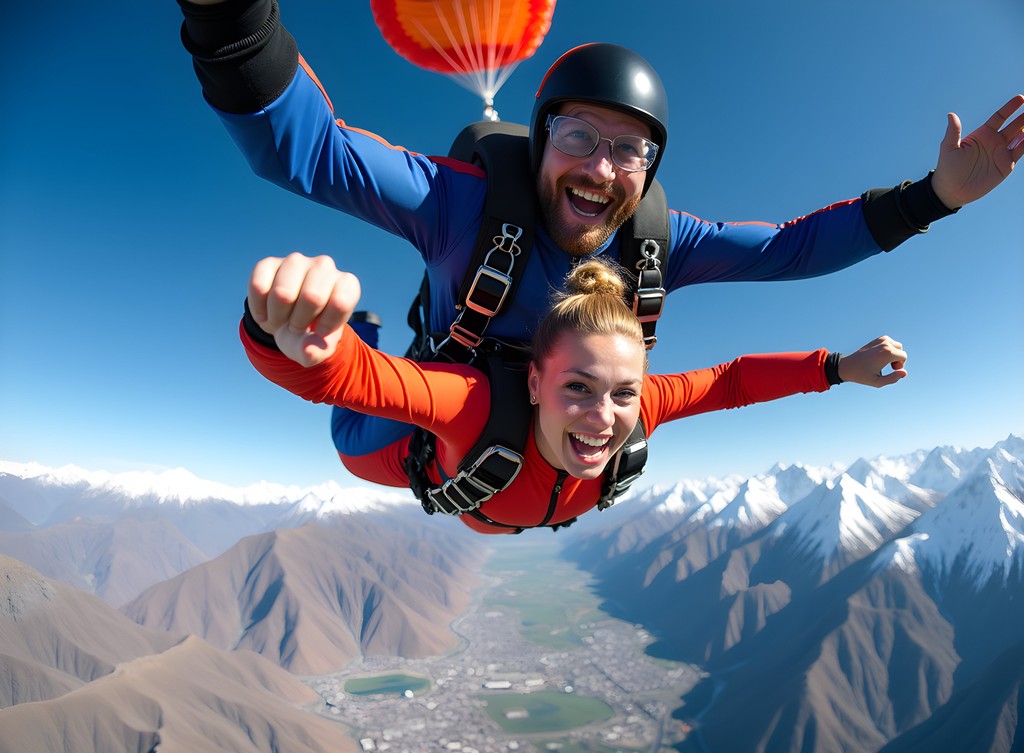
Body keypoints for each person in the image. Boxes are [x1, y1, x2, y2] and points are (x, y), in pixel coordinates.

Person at [175, 0, 1022, 470]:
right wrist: (228, 19)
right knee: (356, 446)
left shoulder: (662, 241)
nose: (604, 169)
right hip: (440, 405)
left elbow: (792, 252)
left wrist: (935, 197)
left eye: (631, 152)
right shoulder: (462, 205)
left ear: (650, 171)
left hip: (561, 435)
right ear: (541, 141)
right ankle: (366, 327)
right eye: (580, 138)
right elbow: (309, 153)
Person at [241, 251, 908, 534]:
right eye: (578, 387)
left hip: (490, 502)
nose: (603, 417)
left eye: (623, 392)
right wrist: (287, 334)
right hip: (396, 450)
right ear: (534, 381)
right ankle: (369, 323)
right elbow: (357, 381)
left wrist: (835, 367)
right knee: (348, 436)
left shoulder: (639, 410)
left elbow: (728, 381)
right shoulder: (471, 406)